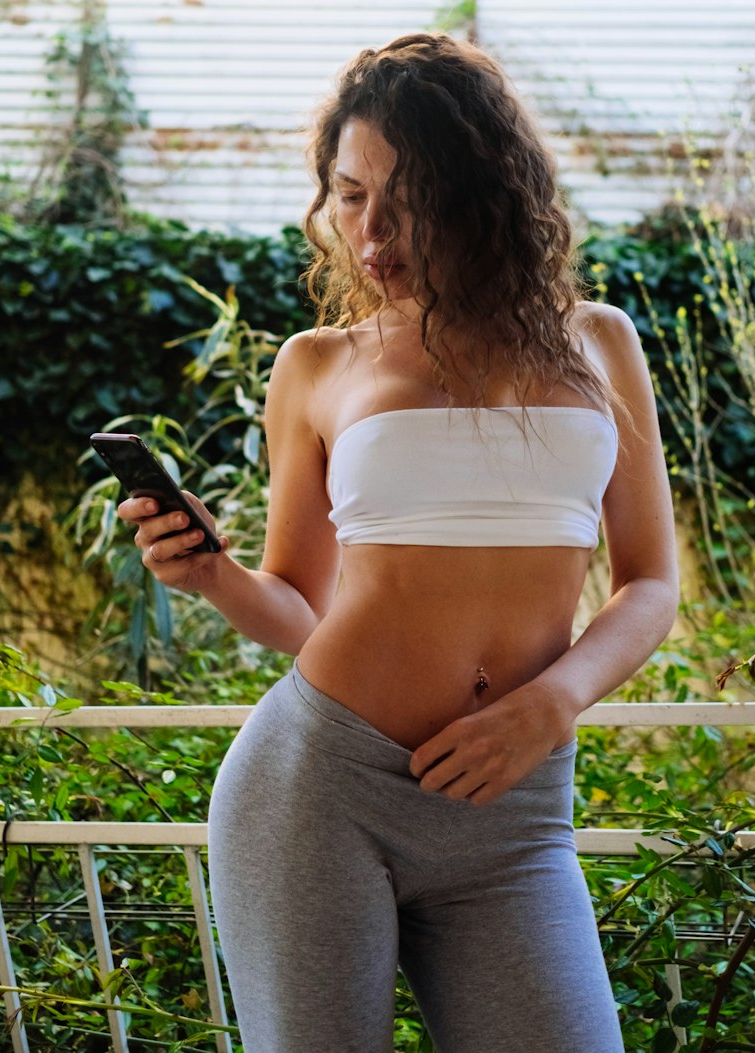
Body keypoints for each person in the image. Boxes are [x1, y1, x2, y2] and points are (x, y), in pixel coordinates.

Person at [119, 32, 678, 1053]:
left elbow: (648, 585)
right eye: (349, 194)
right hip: (318, 790)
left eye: (408, 195)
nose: (373, 232)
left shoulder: (599, 343)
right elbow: (297, 602)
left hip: (512, 811)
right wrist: (209, 576)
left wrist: (549, 704)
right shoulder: (318, 364)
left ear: (485, 189)